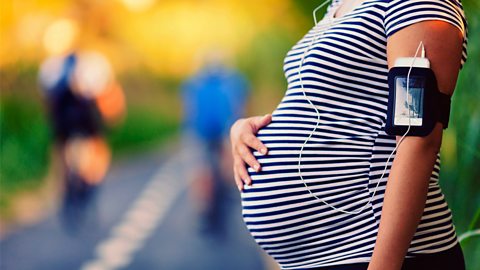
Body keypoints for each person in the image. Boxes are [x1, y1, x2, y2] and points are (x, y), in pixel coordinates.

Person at [230, 0, 468, 269]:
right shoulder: (340, 5)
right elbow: (333, 107)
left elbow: (419, 137)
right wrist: (246, 129)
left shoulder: (415, 3)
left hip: (376, 253)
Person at [39, 51, 125, 231]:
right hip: (87, 127)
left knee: (61, 157)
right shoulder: (94, 71)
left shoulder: (54, 75)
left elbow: (48, 105)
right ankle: (89, 185)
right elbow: (109, 104)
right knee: (97, 153)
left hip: (65, 129)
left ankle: (65, 190)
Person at [182, 54, 249, 232]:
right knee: (228, 161)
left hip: (200, 130)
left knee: (200, 170)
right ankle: (230, 186)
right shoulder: (233, 81)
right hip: (225, 128)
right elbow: (240, 105)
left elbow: (189, 109)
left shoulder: (193, 83)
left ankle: (203, 207)